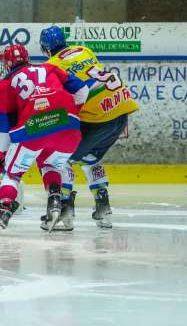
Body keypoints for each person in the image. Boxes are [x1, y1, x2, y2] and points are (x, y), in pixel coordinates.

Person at [0, 44, 89, 235]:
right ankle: (56, 205)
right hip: (69, 127)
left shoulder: (4, 84)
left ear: (7, 63)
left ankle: (1, 216)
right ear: (27, 58)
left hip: (33, 129)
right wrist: (66, 116)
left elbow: (1, 123)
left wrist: (0, 153)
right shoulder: (49, 67)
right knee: (51, 165)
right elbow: (82, 89)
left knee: (13, 173)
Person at [40, 25, 139, 229]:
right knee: (91, 159)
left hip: (97, 119)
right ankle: (103, 208)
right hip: (121, 111)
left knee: (61, 160)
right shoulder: (85, 50)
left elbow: (63, 99)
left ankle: (65, 212)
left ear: (45, 48)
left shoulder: (52, 65)